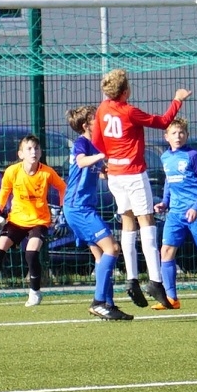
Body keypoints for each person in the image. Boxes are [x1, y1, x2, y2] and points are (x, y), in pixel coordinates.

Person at [90, 68, 192, 309]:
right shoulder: (129, 111)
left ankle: (132, 278)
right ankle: (155, 280)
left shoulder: (102, 109)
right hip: (134, 173)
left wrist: (106, 163)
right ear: (125, 91)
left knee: (127, 222)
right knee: (147, 222)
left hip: (115, 174)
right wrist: (177, 99)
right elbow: (163, 122)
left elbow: (97, 143)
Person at [0, 134, 67, 307]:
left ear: (40, 152)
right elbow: (4, 193)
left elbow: (63, 188)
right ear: (21, 154)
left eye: (36, 148)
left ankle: (35, 292)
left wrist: (63, 213)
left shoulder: (47, 173)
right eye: (29, 149)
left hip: (39, 221)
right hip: (16, 220)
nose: (33, 152)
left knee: (31, 253)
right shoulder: (12, 171)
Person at [62, 106, 134, 321]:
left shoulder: (96, 144)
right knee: (113, 248)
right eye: (97, 119)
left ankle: (108, 305)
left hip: (84, 207)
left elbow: (97, 172)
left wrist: (108, 170)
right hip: (78, 208)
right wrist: (102, 155)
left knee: (102, 256)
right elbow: (81, 161)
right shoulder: (82, 143)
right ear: (86, 125)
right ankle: (98, 302)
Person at [151, 118, 197, 310]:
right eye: (174, 133)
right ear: (166, 136)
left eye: (181, 132)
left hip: (195, 212)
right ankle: (171, 298)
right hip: (175, 214)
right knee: (166, 251)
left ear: (187, 135)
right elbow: (169, 182)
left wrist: (196, 207)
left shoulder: (192, 155)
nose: (178, 136)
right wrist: (165, 202)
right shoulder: (165, 157)